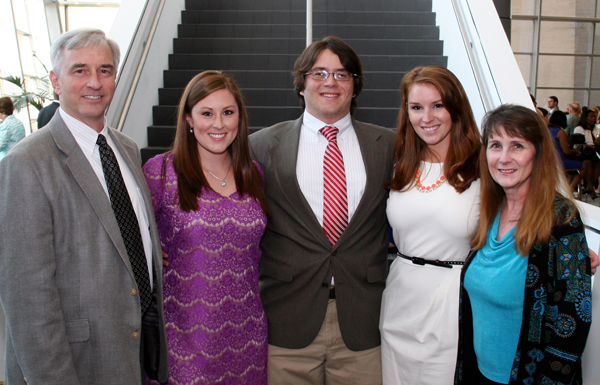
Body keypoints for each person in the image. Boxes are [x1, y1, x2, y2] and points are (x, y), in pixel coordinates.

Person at [0, 28, 168, 384]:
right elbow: (27, 298)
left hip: (135, 354)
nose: (95, 82)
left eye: (105, 70)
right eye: (80, 70)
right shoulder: (26, 163)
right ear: (55, 81)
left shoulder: (126, 149)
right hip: (74, 364)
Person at [250, 35, 395, 384]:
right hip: (287, 319)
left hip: (363, 321)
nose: (331, 82)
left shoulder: (389, 145)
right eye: (319, 73)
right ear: (302, 84)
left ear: (355, 86)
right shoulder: (261, 146)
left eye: (342, 74)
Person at [143, 70, 269, 384]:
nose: (218, 124)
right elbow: (128, 240)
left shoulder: (253, 173)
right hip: (183, 342)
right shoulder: (160, 173)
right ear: (188, 119)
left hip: (248, 338)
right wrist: (150, 254)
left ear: (239, 118)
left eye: (228, 113)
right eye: (206, 113)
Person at [455, 104, 592, 384]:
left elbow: (574, 319)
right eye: (495, 145)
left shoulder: (561, 218)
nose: (504, 158)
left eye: (517, 146)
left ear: (538, 153)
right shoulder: (490, 212)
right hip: (479, 374)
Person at [380, 66, 481, 385]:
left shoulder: (484, 167)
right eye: (416, 107)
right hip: (399, 299)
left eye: (438, 105)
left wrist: (566, 249)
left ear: (456, 107)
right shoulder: (401, 165)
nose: (427, 117)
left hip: (452, 304)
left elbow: (526, 213)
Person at [547, 110, 585, 194]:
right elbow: (566, 151)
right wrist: (575, 151)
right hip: (560, 161)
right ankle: (572, 187)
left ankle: (566, 187)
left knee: (572, 170)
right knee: (584, 165)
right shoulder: (560, 132)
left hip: (549, 161)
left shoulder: (546, 130)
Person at [573, 108, 600, 198]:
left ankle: (590, 187)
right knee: (589, 164)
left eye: (594, 117)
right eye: (591, 117)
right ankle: (591, 189)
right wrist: (591, 146)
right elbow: (578, 144)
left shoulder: (595, 129)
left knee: (598, 164)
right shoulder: (579, 129)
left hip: (593, 152)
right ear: (585, 118)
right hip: (582, 153)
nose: (593, 119)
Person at [0, 96, 25, 161]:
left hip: (7, 159)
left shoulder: (5, 125)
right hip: (19, 157)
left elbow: (1, 144)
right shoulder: (18, 122)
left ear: (2, 111)